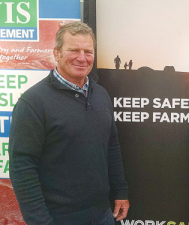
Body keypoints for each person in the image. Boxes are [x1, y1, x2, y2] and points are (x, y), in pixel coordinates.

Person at [9, 21, 129, 225]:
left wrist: (120, 191)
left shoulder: (100, 94)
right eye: (73, 50)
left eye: (88, 51)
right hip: (59, 218)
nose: (82, 58)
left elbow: (111, 146)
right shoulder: (33, 102)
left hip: (103, 214)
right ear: (56, 53)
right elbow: (22, 169)